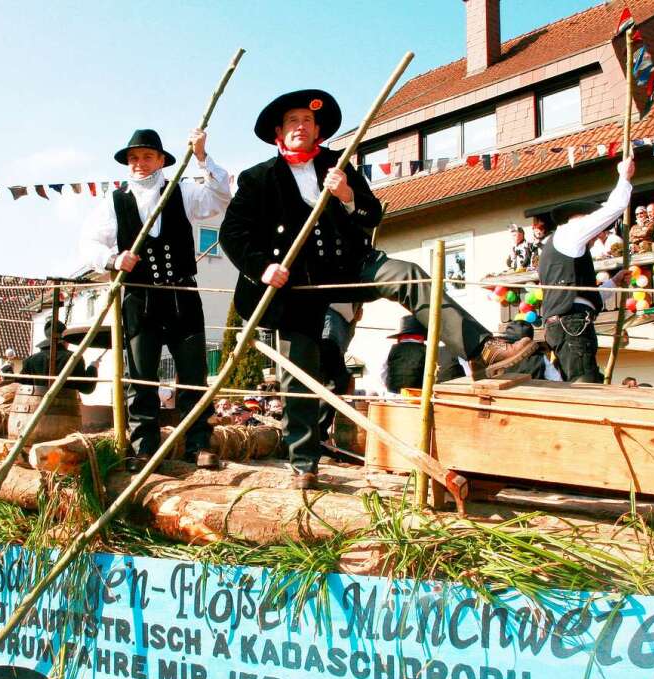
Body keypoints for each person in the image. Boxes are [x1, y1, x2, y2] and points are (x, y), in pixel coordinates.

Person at [220, 88, 537, 488]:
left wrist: (347, 195)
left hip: (348, 266)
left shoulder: (337, 165)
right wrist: (262, 267)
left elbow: (373, 212)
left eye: (307, 121)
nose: (300, 127)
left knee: (410, 274)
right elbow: (233, 234)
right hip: (293, 283)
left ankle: (483, 348)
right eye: (292, 122)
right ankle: (304, 463)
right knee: (298, 372)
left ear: (318, 129)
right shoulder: (257, 178)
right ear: (279, 132)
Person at [79, 127, 231, 471]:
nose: (140, 164)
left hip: (181, 294)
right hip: (139, 299)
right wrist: (114, 260)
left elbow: (220, 196)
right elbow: (88, 242)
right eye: (133, 158)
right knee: (141, 377)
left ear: (162, 160)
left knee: (193, 374)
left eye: (147, 156)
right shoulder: (113, 202)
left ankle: (197, 445)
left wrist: (203, 156)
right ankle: (144, 449)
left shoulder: (183, 190)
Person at [539, 157, 636, 383]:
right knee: (584, 385)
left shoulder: (568, 252)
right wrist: (624, 178)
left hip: (569, 324)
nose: (599, 235)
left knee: (576, 384)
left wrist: (614, 282)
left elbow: (583, 297)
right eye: (597, 229)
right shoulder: (570, 233)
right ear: (582, 221)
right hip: (572, 325)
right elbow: (615, 208)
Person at [21, 319, 98, 394]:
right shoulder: (74, 358)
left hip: (35, 404)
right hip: (66, 406)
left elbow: (22, 384)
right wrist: (92, 368)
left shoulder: (30, 360)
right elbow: (87, 388)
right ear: (64, 341)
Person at [318, 302, 359, 440]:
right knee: (336, 380)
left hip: (340, 322)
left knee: (337, 380)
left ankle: (318, 433)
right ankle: (317, 433)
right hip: (331, 318)